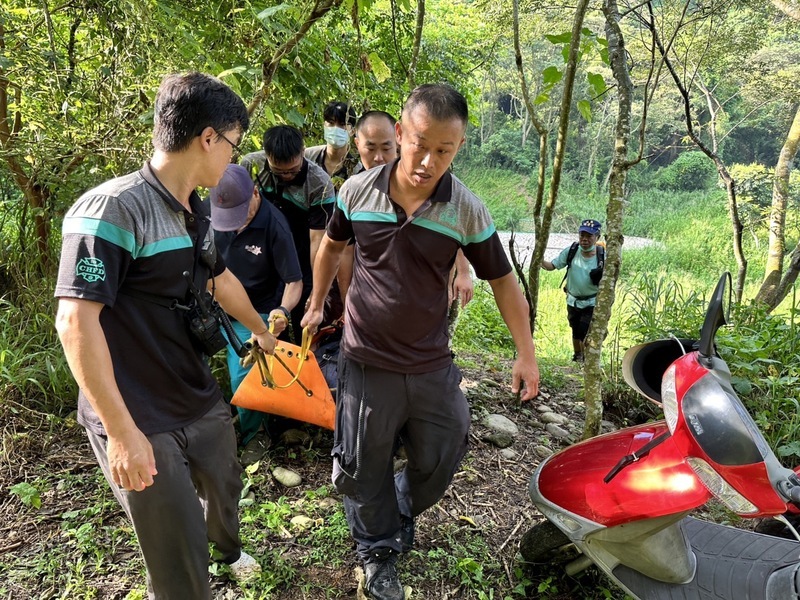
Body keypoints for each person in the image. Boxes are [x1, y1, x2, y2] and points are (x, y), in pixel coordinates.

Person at [301, 83, 540, 600]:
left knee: (445, 447)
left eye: (445, 150)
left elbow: (502, 281)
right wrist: (318, 301)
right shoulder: (357, 192)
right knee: (364, 461)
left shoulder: (465, 209)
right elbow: (332, 247)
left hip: (431, 359)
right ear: (400, 134)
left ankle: (400, 507)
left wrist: (526, 353)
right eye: (420, 144)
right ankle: (378, 550)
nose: (429, 161)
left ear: (459, 147)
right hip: (366, 358)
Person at [54, 72, 275, 599]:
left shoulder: (194, 212)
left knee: (225, 484)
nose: (232, 160)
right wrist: (121, 432)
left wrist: (262, 331)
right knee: (178, 561)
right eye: (234, 145)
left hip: (193, 393)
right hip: (138, 414)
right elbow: (74, 322)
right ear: (208, 138)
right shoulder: (112, 210)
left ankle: (226, 549)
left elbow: (220, 281)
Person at [209, 163, 304, 459]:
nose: (234, 223)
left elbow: (294, 282)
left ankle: (256, 435)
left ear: (254, 193)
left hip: (257, 310)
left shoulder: (274, 225)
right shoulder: (206, 213)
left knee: (243, 370)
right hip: (215, 304)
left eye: (240, 213)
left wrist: (281, 312)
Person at [353, 110, 473, 307]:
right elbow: (339, 249)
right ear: (358, 145)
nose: (378, 158)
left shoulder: (426, 179)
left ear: (398, 140)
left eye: (386, 148)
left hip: (425, 301)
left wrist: (464, 272)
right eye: (371, 148)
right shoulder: (356, 188)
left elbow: (454, 225)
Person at [240, 125, 335, 342]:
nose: (285, 176)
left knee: (305, 321)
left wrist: (316, 290)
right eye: (278, 171)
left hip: (302, 252)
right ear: (267, 156)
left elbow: (317, 239)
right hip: (264, 254)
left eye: (292, 170)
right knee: (269, 323)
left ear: (303, 152)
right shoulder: (251, 165)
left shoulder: (318, 183)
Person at [541, 219, 604, 362]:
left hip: (593, 301)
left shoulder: (602, 256)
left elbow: (612, 277)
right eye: (582, 235)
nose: (585, 239)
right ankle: (577, 357)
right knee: (575, 329)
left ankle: (588, 360)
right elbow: (552, 266)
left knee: (585, 330)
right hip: (573, 300)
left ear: (597, 238)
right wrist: (539, 259)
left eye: (589, 236)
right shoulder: (572, 251)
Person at [305, 100, 360, 189]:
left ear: (352, 131)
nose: (335, 128)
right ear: (324, 125)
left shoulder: (356, 170)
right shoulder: (308, 156)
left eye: (342, 124)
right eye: (331, 123)